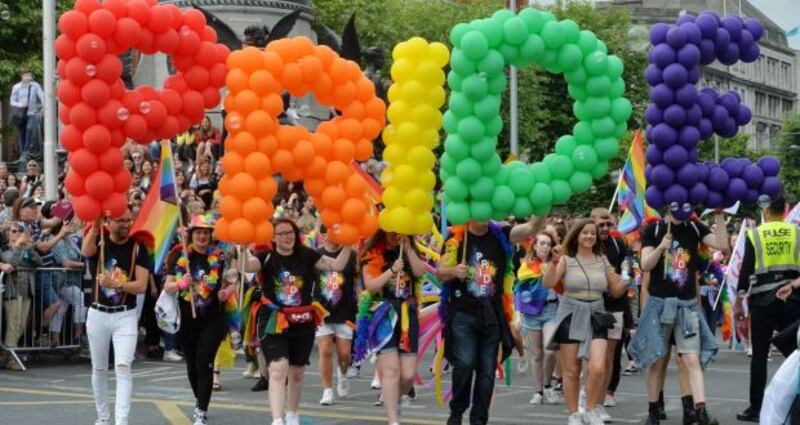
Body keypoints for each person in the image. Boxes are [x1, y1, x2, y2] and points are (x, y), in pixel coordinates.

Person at [629, 209, 728, 425]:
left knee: (691, 359)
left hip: (686, 306)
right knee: (656, 360)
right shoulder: (653, 229)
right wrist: (661, 247)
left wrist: (719, 215)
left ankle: (700, 411)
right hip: (659, 305)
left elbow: (721, 244)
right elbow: (645, 264)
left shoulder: (694, 227)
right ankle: (653, 411)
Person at [437, 218, 535, 425]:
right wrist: (454, 271)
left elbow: (532, 228)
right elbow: (440, 273)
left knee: (487, 372)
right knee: (464, 363)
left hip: (491, 315)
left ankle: (479, 420)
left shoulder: (501, 234)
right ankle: (457, 411)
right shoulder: (456, 237)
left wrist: (542, 204)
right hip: (463, 313)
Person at [258, 218, 353, 425]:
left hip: (303, 320)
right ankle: (277, 420)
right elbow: (245, 265)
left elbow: (336, 265)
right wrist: (241, 247)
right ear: (273, 237)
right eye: (282, 233)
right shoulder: (266, 257)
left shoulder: (307, 255)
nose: (287, 236)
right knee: (277, 368)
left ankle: (292, 414)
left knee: (298, 372)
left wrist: (348, 242)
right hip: (275, 319)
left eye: (290, 232)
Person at [164, 214, 249, 425]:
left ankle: (201, 411)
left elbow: (233, 282)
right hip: (186, 318)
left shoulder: (220, 257)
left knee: (205, 363)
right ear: (191, 234)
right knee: (192, 365)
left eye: (205, 232)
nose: (202, 236)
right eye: (198, 232)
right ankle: (199, 399)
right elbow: (168, 286)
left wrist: (227, 292)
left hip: (213, 319)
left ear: (210, 235)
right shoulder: (179, 254)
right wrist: (180, 285)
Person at [543, 218, 626, 425]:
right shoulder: (566, 259)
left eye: (592, 233)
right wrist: (553, 262)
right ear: (577, 235)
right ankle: (574, 414)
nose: (589, 236)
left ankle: (590, 409)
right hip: (571, 312)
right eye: (585, 233)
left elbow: (615, 291)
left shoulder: (602, 259)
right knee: (572, 369)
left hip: (597, 313)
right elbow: (549, 283)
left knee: (598, 367)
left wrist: (627, 278)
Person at [81, 208, 150, 425]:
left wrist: (116, 284)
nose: (126, 225)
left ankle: (122, 421)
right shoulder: (100, 240)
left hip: (125, 316)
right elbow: (85, 251)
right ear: (109, 221)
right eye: (121, 221)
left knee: (123, 367)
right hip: (98, 315)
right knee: (99, 369)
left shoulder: (138, 247)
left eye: (129, 220)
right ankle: (103, 418)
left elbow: (141, 286)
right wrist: (95, 225)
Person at [735, 196, 800, 422]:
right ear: (784, 211)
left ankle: (756, 408)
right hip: (792, 298)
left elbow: (745, 273)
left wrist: (739, 299)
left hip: (763, 301)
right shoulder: (796, 232)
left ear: (767, 210)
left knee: (760, 356)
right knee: (795, 353)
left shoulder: (755, 234)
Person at [359, 229, 426, 424]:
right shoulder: (371, 254)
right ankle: (393, 419)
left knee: (407, 374)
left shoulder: (409, 250)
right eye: (392, 231)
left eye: (400, 231)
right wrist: (392, 271)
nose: (396, 234)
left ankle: (392, 402)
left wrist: (409, 249)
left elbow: (420, 272)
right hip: (383, 313)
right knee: (391, 371)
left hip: (407, 313)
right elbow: (371, 286)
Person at [590, 208, 629, 417]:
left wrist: (626, 277)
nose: (605, 228)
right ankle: (585, 399)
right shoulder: (585, 243)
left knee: (608, 357)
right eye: (601, 224)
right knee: (590, 358)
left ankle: (600, 402)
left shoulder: (618, 244)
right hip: (590, 306)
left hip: (614, 306)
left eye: (608, 224)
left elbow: (626, 270)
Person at [516, 229, 561, 405]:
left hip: (552, 309)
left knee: (550, 350)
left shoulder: (556, 263)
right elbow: (520, 288)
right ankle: (538, 391)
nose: (545, 247)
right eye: (541, 243)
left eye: (548, 244)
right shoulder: (526, 265)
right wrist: (518, 315)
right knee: (536, 354)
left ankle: (548, 385)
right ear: (534, 246)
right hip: (532, 311)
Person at [315, 225, 357, 406]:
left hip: (345, 309)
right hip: (321, 310)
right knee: (324, 351)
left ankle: (343, 373)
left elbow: (356, 281)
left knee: (344, 354)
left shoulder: (351, 255)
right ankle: (327, 390)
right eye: (330, 232)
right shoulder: (316, 256)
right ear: (323, 235)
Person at [0, 221, 43, 369]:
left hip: (26, 292)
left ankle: (7, 356)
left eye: (19, 231)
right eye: (14, 231)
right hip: (12, 292)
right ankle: (10, 358)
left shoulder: (24, 248)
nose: (17, 233)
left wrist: (29, 249)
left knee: (20, 326)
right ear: (6, 234)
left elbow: (39, 262)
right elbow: (12, 263)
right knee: (13, 325)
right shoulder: (4, 249)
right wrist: (18, 246)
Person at [9, 69, 44, 160]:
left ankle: (27, 150)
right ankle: (23, 153)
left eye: (30, 75)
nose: (29, 77)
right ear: (22, 76)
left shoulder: (35, 85)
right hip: (20, 114)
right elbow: (12, 102)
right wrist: (21, 105)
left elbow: (42, 96)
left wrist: (45, 106)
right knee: (22, 133)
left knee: (30, 129)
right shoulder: (17, 87)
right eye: (26, 75)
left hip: (31, 113)